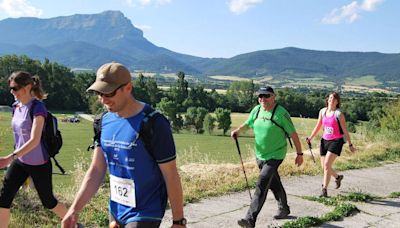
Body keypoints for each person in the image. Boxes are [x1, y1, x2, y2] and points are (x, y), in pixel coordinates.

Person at [62, 62, 186, 228]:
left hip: (145, 211)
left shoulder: (154, 123)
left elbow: (170, 174)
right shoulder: (102, 121)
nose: (103, 100)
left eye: (109, 93)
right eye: (99, 93)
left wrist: (178, 221)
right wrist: (74, 209)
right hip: (116, 209)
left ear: (128, 88)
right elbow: (97, 169)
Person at [0, 71, 68, 227]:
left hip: (39, 163)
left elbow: (35, 140)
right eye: (11, 88)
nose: (12, 92)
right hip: (20, 161)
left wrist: (9, 158)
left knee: (48, 202)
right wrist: (15, 158)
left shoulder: (38, 108)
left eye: (15, 88)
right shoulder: (15, 107)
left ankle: (75, 224)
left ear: (28, 87)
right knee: (3, 199)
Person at [231, 86, 303, 228]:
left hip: (276, 154)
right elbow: (248, 123)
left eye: (266, 95)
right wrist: (238, 131)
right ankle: (284, 208)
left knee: (262, 183)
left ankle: (250, 219)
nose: (263, 99)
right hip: (260, 155)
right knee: (273, 182)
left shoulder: (281, 113)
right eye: (260, 96)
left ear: (273, 97)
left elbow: (293, 134)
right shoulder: (257, 110)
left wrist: (299, 154)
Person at [307, 92, 356, 197]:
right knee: (324, 167)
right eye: (330, 98)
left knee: (326, 165)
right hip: (324, 141)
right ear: (327, 100)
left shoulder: (339, 114)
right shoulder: (322, 111)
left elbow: (345, 130)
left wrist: (350, 144)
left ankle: (324, 190)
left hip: (336, 141)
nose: (331, 100)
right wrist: (310, 137)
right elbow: (318, 125)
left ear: (337, 101)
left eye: (334, 98)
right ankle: (338, 177)